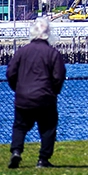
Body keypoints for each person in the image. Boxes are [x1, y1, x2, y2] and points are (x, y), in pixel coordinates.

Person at [7, 17, 66, 169]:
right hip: (45, 97)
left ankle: (16, 151)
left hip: (23, 97)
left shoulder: (22, 52)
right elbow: (59, 76)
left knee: (20, 126)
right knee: (48, 128)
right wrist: (54, 92)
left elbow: (10, 73)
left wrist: (18, 89)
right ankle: (43, 159)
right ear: (48, 34)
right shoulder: (53, 53)